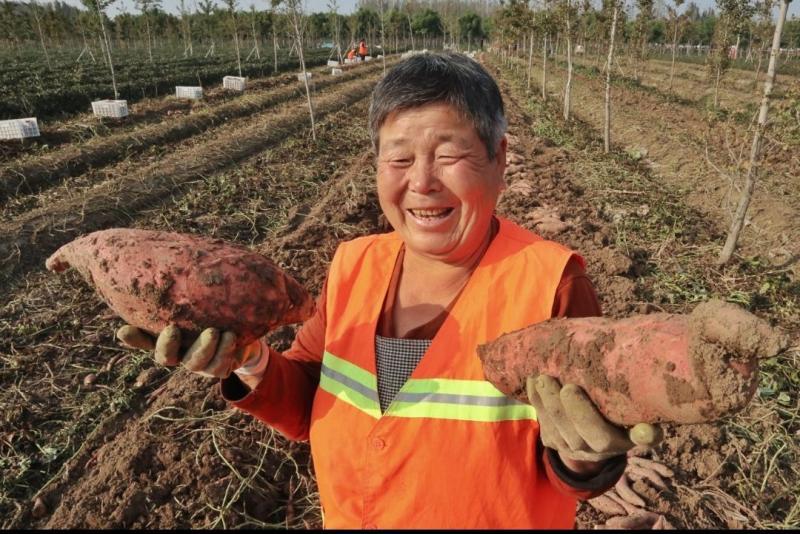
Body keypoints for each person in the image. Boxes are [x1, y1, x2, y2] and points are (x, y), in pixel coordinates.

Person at [117, 52, 659, 529]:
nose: (421, 182)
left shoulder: (551, 284)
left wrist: (584, 458)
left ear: (499, 158)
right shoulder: (355, 264)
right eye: (399, 158)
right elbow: (309, 400)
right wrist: (250, 361)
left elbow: (576, 459)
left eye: (448, 156)